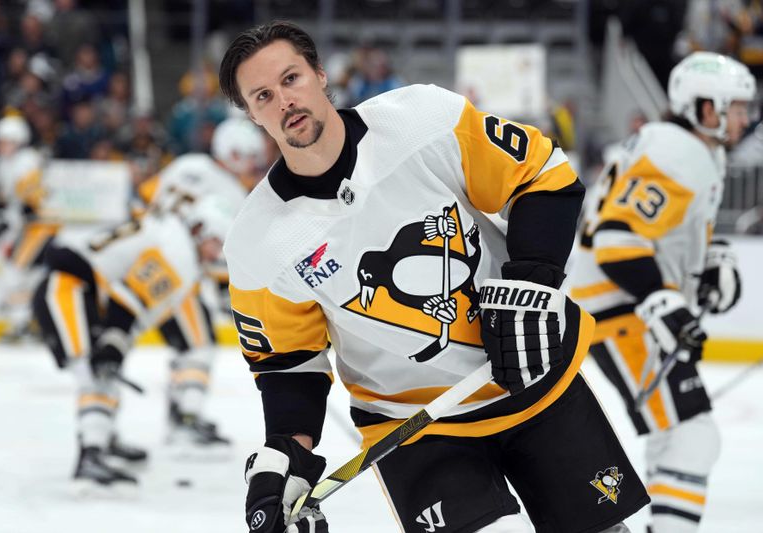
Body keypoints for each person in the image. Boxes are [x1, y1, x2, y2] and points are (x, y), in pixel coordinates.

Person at [219, 21, 649, 533]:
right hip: (415, 427)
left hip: (531, 378)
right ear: (250, 113)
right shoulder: (256, 243)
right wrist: (285, 457)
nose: (284, 100)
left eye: (291, 79)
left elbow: (543, 178)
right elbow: (289, 366)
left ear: (319, 73)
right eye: (263, 95)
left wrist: (531, 284)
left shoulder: (423, 120)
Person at [569, 51, 755, 533]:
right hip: (621, 310)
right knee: (693, 436)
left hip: (615, 308)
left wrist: (710, 259)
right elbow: (616, 237)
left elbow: (663, 227)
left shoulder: (684, 146)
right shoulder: (682, 151)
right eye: (734, 107)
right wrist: (662, 303)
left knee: (673, 434)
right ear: (704, 108)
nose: (744, 118)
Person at [31, 195, 235, 491]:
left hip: (77, 288)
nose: (216, 253)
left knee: (104, 369)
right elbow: (128, 300)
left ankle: (103, 438)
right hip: (67, 289)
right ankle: (92, 452)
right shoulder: (178, 251)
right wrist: (114, 342)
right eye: (215, 242)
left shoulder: (170, 232)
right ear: (199, 228)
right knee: (95, 373)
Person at [133, 119, 263, 449]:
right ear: (233, 153)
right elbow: (216, 254)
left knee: (186, 346)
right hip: (178, 275)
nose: (251, 165)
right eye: (248, 157)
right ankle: (185, 420)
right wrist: (227, 293)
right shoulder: (233, 194)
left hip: (142, 262)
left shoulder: (187, 163)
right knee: (198, 346)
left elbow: (141, 201)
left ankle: (179, 414)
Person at [0, 115, 60, 341]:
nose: (1, 146)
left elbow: (31, 203)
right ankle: (35, 320)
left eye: (5, 141)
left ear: (17, 140)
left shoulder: (26, 160)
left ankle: (22, 322)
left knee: (15, 272)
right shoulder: (6, 163)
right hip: (31, 226)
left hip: (40, 225)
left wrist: (6, 221)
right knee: (32, 275)